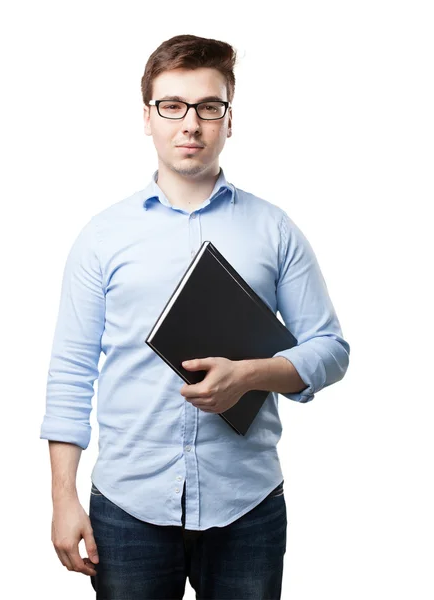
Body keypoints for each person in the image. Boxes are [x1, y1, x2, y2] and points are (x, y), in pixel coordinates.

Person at [40, 34, 350, 599]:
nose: (191, 124)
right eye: (173, 106)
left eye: (210, 107)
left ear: (229, 120)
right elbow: (70, 373)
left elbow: (330, 349)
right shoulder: (102, 237)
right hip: (128, 507)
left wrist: (251, 375)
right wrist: (64, 499)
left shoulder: (273, 229)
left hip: (247, 507)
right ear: (148, 117)